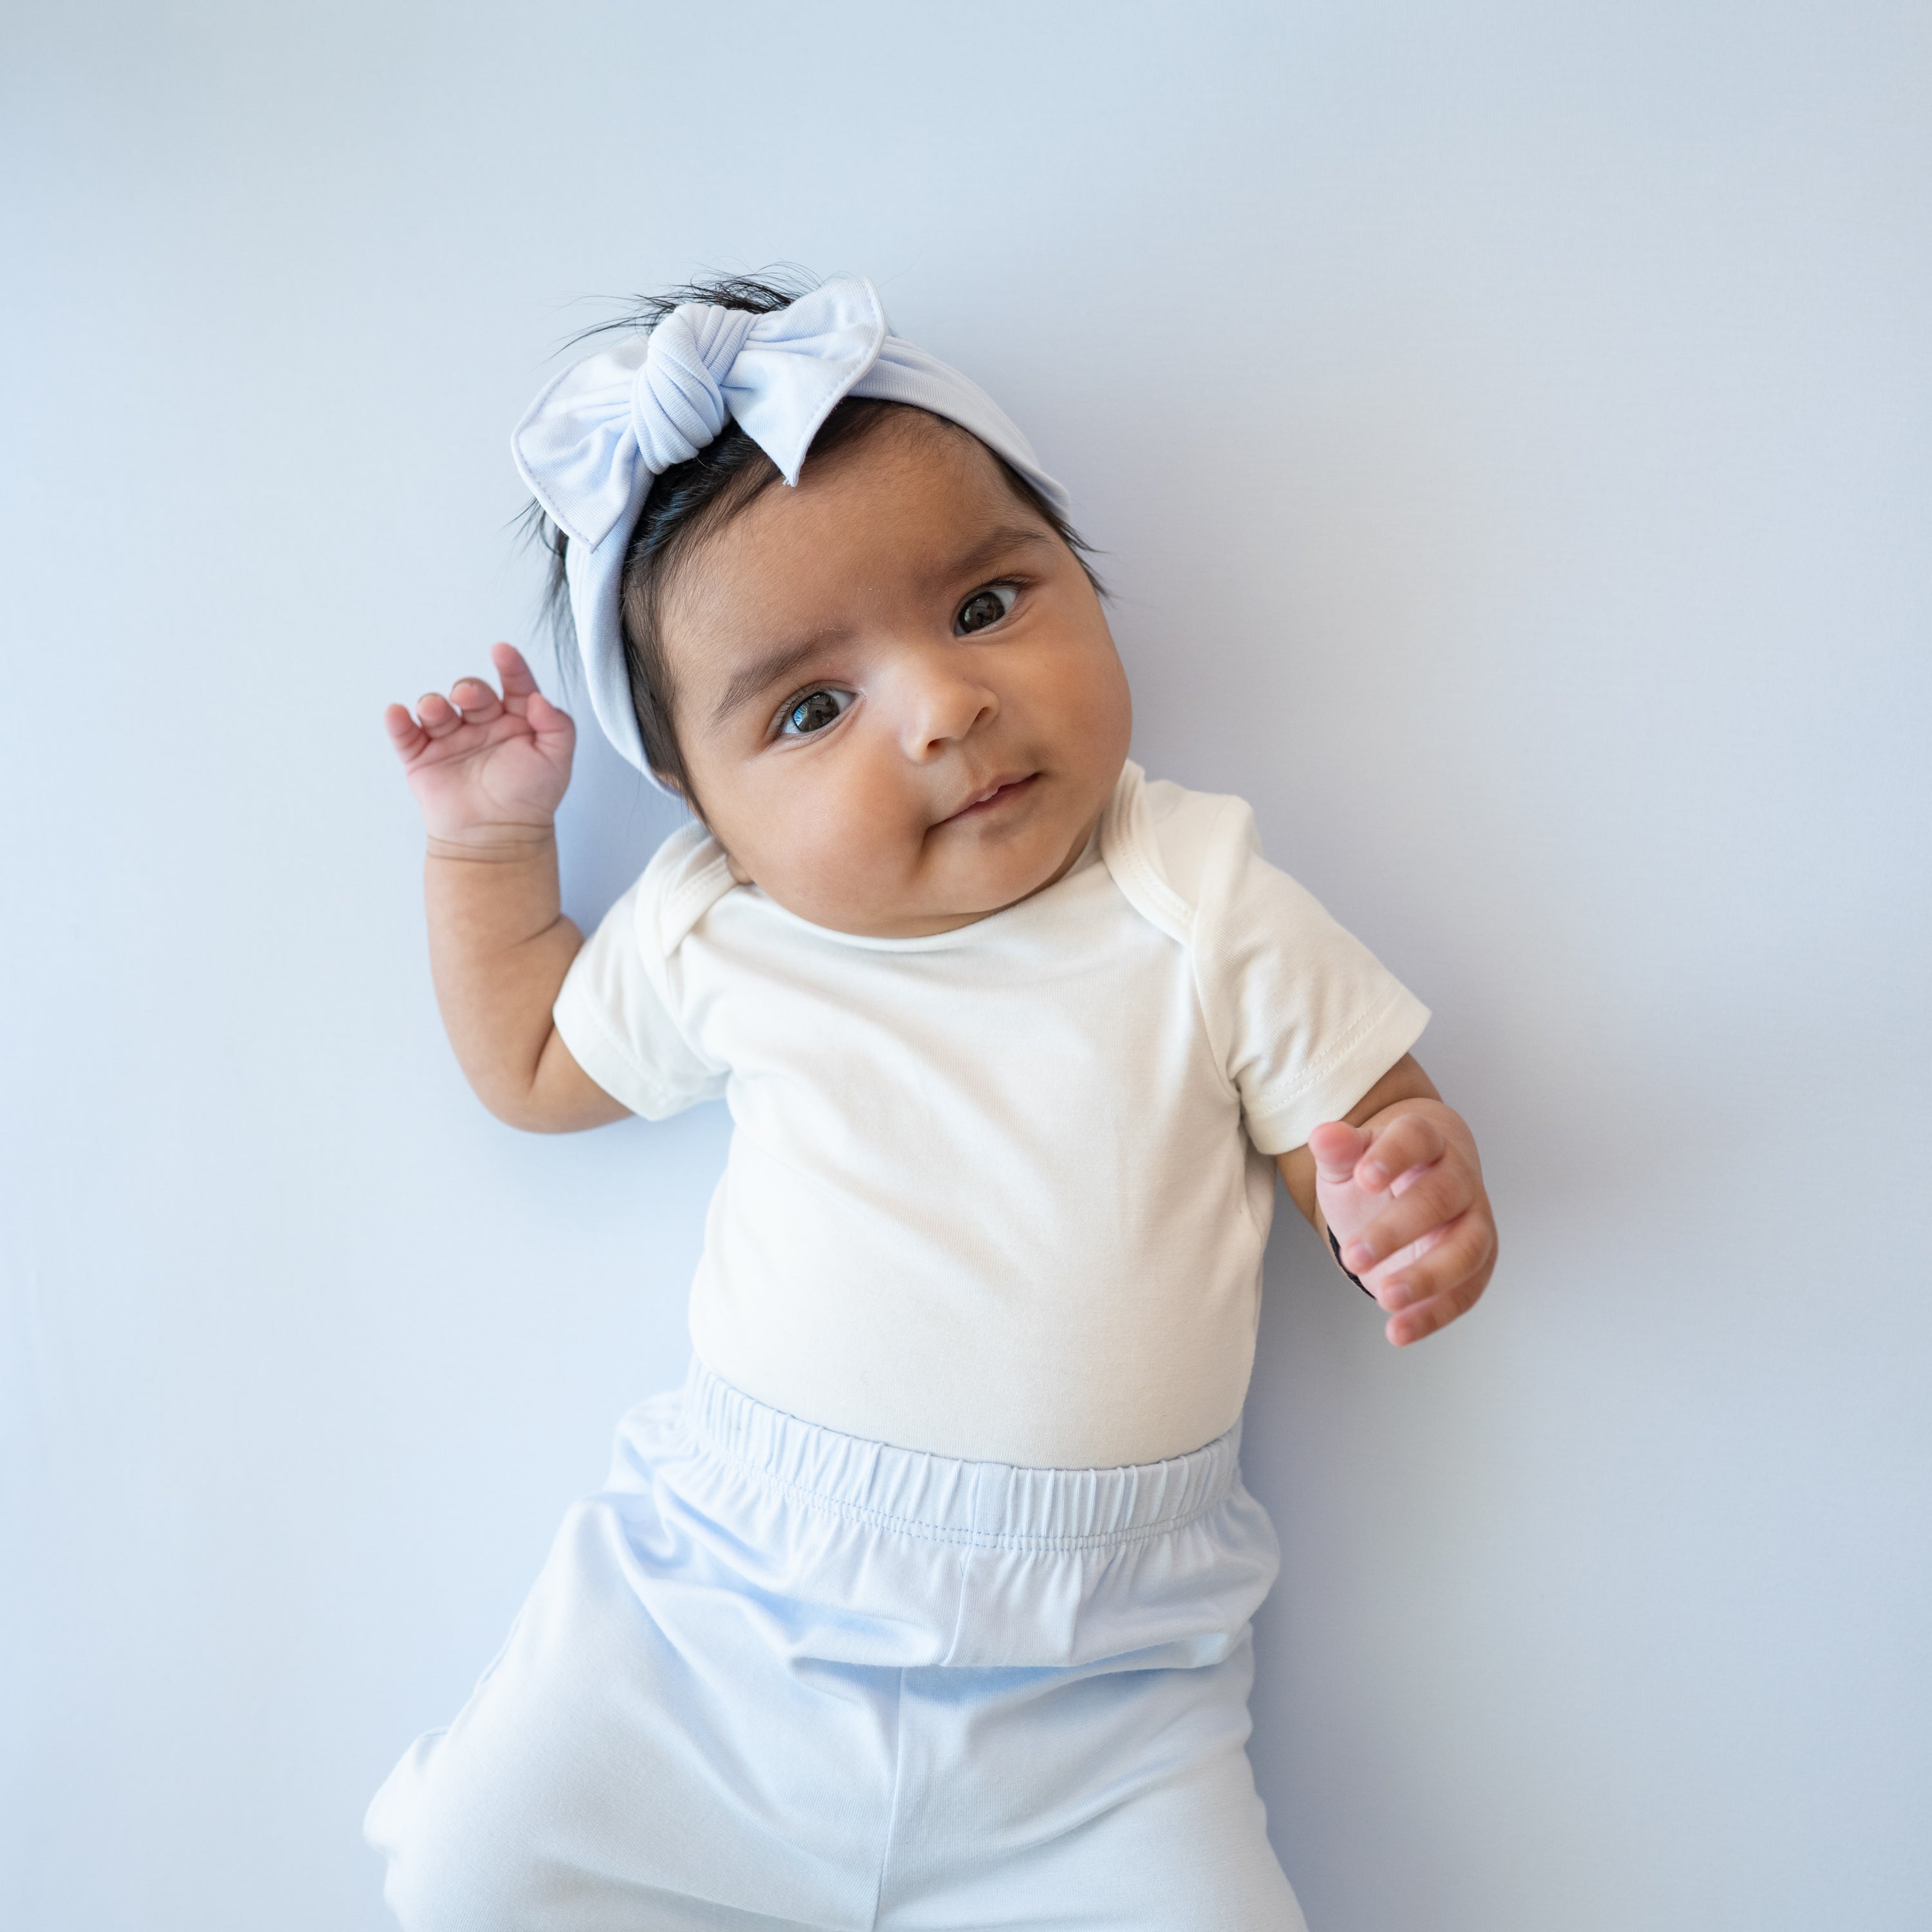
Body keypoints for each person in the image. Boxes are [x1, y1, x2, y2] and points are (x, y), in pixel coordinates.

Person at [365, 272, 1497, 1931]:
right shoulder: (720, 924)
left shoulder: (1192, 886)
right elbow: (534, 1066)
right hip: (721, 1632)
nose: (946, 707)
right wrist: (486, 846)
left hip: (1108, 1707)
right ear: (711, 811)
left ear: (1084, 582)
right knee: (476, 1874)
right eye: (813, 710)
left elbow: (1357, 1115)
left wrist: (1406, 1196)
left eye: (986, 606)